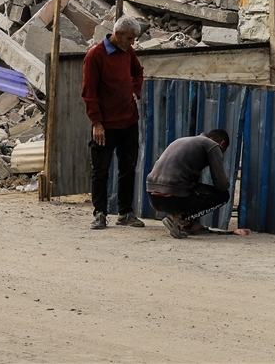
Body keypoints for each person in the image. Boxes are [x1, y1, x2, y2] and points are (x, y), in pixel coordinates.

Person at [81, 15, 145, 230]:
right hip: (106, 125)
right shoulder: (95, 56)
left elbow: (138, 71)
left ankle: (125, 212)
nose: (132, 43)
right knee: (101, 171)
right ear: (117, 34)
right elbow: (89, 93)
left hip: (129, 121)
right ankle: (100, 213)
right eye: (129, 38)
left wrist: (135, 91)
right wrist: (96, 123)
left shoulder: (128, 52)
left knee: (128, 168)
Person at [146, 129, 232, 239]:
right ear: (222, 143)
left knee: (191, 187)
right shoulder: (213, 146)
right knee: (223, 196)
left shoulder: (182, 141)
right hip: (173, 198)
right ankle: (178, 219)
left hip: (152, 196)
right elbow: (221, 185)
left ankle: (189, 224)